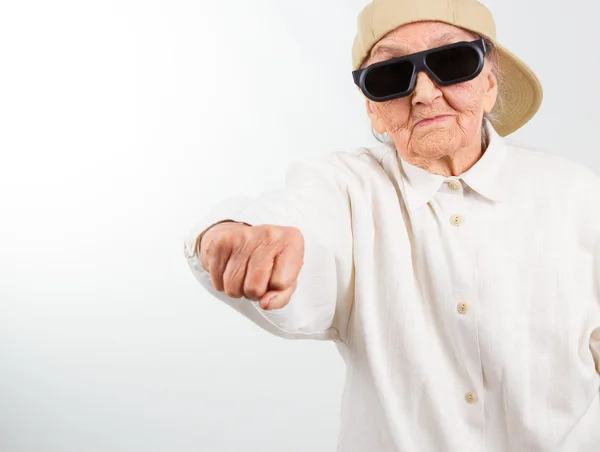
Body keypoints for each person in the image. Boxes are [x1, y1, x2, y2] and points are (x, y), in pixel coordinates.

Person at [183, 0, 600, 450]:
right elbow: (297, 223)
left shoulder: (576, 194)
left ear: (490, 83)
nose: (423, 93)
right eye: (390, 76)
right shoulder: (347, 190)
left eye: (452, 61)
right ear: (372, 109)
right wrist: (231, 236)